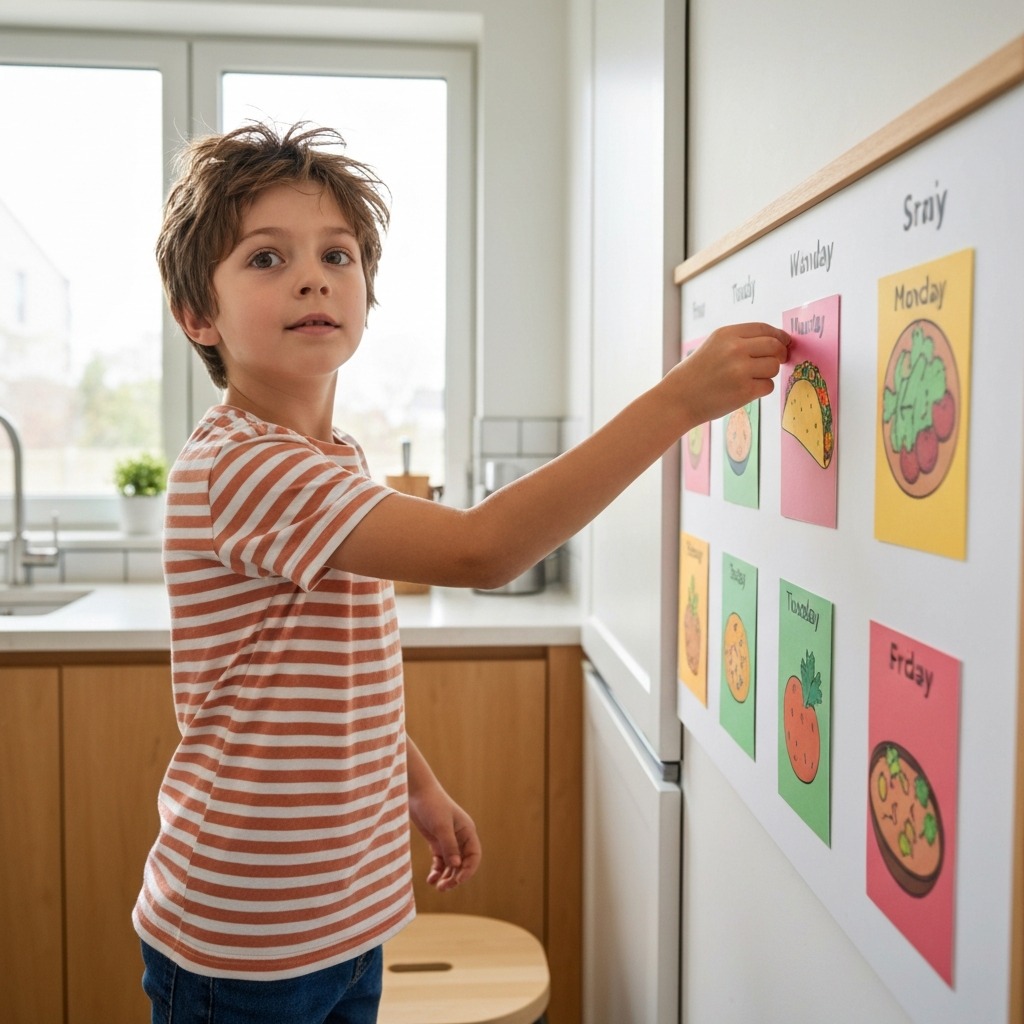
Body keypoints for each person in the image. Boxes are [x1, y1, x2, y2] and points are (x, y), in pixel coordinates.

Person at [133, 120, 790, 1024]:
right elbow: (483, 550)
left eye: (339, 253)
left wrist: (416, 783)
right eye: (265, 259)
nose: (315, 275)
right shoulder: (241, 465)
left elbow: (324, 683)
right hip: (248, 942)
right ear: (196, 316)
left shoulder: (331, 456)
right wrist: (677, 401)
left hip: (342, 920)